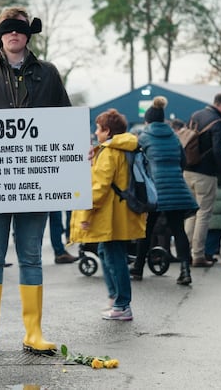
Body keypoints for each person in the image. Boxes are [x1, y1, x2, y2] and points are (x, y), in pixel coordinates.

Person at [0, 6, 71, 356]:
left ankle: (33, 332)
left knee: (32, 256)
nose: (13, 34)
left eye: (19, 29)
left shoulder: (48, 74)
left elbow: (65, 121)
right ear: (0, 34)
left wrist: (78, 148)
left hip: (36, 183)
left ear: (28, 34)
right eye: (7, 29)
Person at [70, 109, 146, 320]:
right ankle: (116, 299)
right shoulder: (125, 148)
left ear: (107, 130)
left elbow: (100, 187)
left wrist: (85, 214)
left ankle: (122, 304)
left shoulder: (110, 152)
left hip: (110, 214)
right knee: (107, 252)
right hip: (121, 212)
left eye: (98, 128)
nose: (96, 132)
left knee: (114, 257)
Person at [130, 96, 198, 285]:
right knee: (179, 230)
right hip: (176, 188)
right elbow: (183, 162)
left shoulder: (144, 137)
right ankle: (185, 271)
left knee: (147, 230)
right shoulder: (174, 138)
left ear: (148, 121)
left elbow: (137, 164)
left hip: (155, 190)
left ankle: (137, 269)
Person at [183, 93, 221, 267]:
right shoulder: (218, 123)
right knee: (204, 214)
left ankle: (184, 250)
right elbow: (219, 152)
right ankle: (198, 255)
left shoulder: (195, 115)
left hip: (188, 170)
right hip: (205, 173)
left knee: (191, 213)